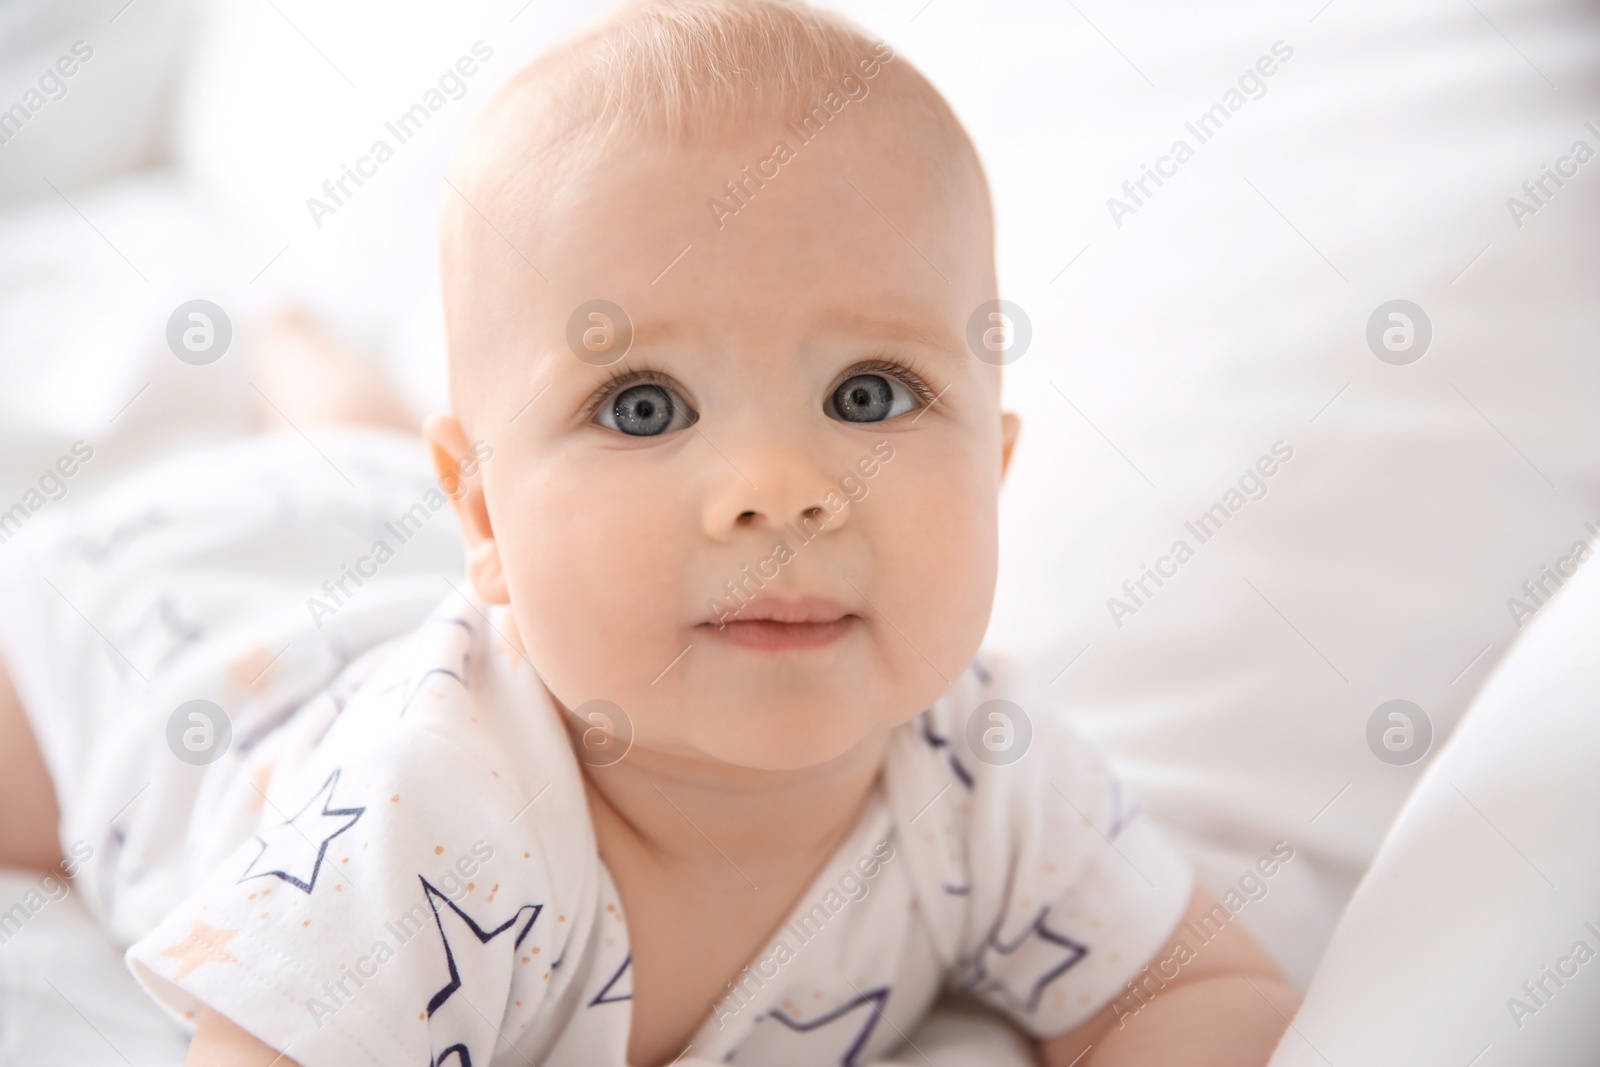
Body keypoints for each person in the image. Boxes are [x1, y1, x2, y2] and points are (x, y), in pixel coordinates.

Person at [0, 2, 1297, 1063]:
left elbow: (1195, 995)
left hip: (395, 535)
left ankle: (325, 384)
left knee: (371, 472)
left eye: (868, 396)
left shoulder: (984, 774)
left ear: (995, 465)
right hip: (174, 631)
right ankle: (308, 372)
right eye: (643, 405)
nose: (782, 491)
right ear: (493, 516)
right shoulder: (440, 821)